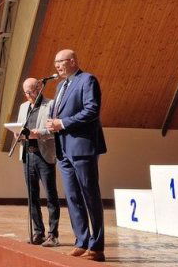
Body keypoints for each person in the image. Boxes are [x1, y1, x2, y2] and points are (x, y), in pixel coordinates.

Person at [47, 49, 106, 262]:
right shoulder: (60, 86)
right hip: (63, 149)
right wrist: (52, 124)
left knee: (90, 195)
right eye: (55, 62)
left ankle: (97, 247)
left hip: (82, 147)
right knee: (72, 197)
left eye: (60, 62)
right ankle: (81, 241)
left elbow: (92, 110)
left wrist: (62, 123)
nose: (57, 66)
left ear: (72, 61)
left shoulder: (87, 79)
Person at [14, 77, 61, 247]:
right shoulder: (23, 107)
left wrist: (38, 133)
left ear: (39, 87)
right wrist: (17, 134)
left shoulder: (50, 105)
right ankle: (38, 232)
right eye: (25, 92)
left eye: (31, 91)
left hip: (44, 155)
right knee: (32, 196)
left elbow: (55, 130)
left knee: (50, 195)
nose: (28, 95)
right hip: (28, 155)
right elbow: (20, 127)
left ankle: (53, 235)